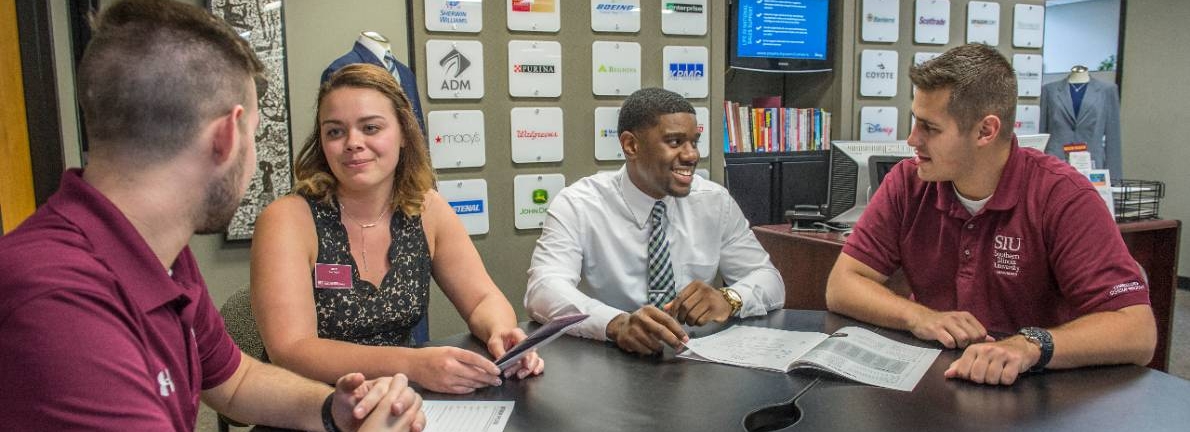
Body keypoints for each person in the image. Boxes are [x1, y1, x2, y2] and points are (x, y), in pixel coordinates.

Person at [0, 1, 424, 431]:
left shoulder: (158, 250)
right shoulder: (58, 301)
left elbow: (236, 382)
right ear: (227, 135)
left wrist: (334, 408)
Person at [825, 44, 1155, 386]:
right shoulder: (908, 182)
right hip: (941, 382)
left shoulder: (1063, 196)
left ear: (986, 131)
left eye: (930, 128)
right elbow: (842, 285)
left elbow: (1138, 332)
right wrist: (918, 317)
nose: (912, 140)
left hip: (1037, 394)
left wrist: (1029, 346)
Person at [251, 64, 543, 395]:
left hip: (400, 401)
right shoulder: (287, 219)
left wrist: (501, 332)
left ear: (404, 133)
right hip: (310, 406)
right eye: (335, 132)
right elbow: (291, 349)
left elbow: (482, 299)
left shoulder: (427, 208)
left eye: (370, 128)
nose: (352, 143)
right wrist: (413, 364)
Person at [525, 87, 785, 355]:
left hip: (695, 360)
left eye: (694, 142)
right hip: (610, 359)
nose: (691, 155)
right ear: (631, 145)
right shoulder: (579, 204)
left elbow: (770, 281)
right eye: (674, 142)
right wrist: (616, 323)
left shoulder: (714, 202)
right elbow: (544, 289)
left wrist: (729, 299)